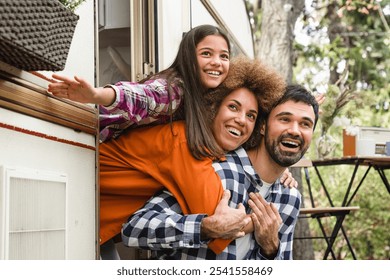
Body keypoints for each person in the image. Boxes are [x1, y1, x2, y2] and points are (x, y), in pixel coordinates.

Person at [98, 55, 287, 254]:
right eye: (233, 107)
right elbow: (222, 223)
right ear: (213, 108)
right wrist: (263, 223)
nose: (241, 120)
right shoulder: (186, 142)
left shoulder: (210, 150)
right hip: (85, 201)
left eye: (251, 116)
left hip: (100, 219)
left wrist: (280, 168)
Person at [121, 84, 319, 260]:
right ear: (263, 126)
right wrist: (205, 227)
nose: (295, 130)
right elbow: (134, 229)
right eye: (285, 119)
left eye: (305, 124)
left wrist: (270, 248)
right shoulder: (215, 172)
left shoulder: (289, 198)